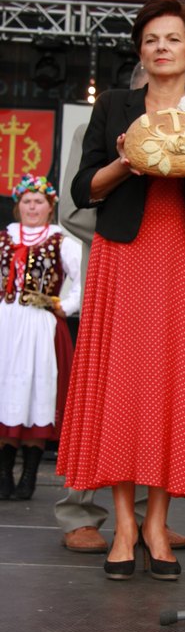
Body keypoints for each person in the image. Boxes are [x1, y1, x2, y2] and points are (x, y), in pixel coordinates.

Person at [56, 0, 185, 581]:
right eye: (151, 40)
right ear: (141, 51)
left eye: (173, 38)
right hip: (126, 255)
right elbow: (83, 189)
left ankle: (157, 524)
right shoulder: (114, 105)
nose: (161, 48)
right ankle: (124, 525)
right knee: (123, 382)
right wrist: (126, 164)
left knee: (173, 383)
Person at [56, 63, 185, 554]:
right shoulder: (97, 126)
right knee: (105, 386)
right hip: (115, 268)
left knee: (156, 387)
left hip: (166, 275)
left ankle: (143, 518)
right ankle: (79, 512)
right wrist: (133, 232)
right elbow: (72, 209)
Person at [0, 175, 81, 500]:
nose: (32, 207)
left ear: (50, 207)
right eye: (27, 201)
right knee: (6, 389)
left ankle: (29, 476)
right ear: (18, 206)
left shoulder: (61, 241)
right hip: (6, 325)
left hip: (40, 326)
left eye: (39, 202)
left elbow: (83, 280)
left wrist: (64, 306)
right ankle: (4, 473)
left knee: (37, 391)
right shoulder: (5, 237)